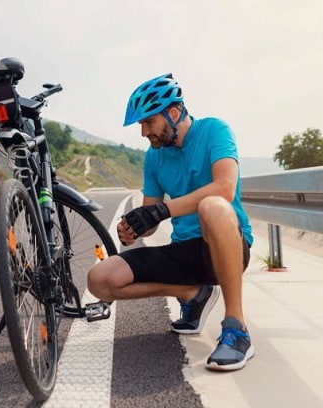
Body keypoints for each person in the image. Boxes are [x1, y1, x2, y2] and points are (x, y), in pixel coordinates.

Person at [87, 73, 255, 371]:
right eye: (141, 125)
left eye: (148, 122)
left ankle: (236, 328)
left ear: (173, 113)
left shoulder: (214, 131)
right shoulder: (154, 157)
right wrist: (135, 226)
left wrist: (163, 210)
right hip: (184, 252)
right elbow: (151, 220)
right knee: (100, 279)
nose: (143, 133)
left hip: (226, 246)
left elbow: (225, 187)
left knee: (213, 206)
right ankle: (193, 294)